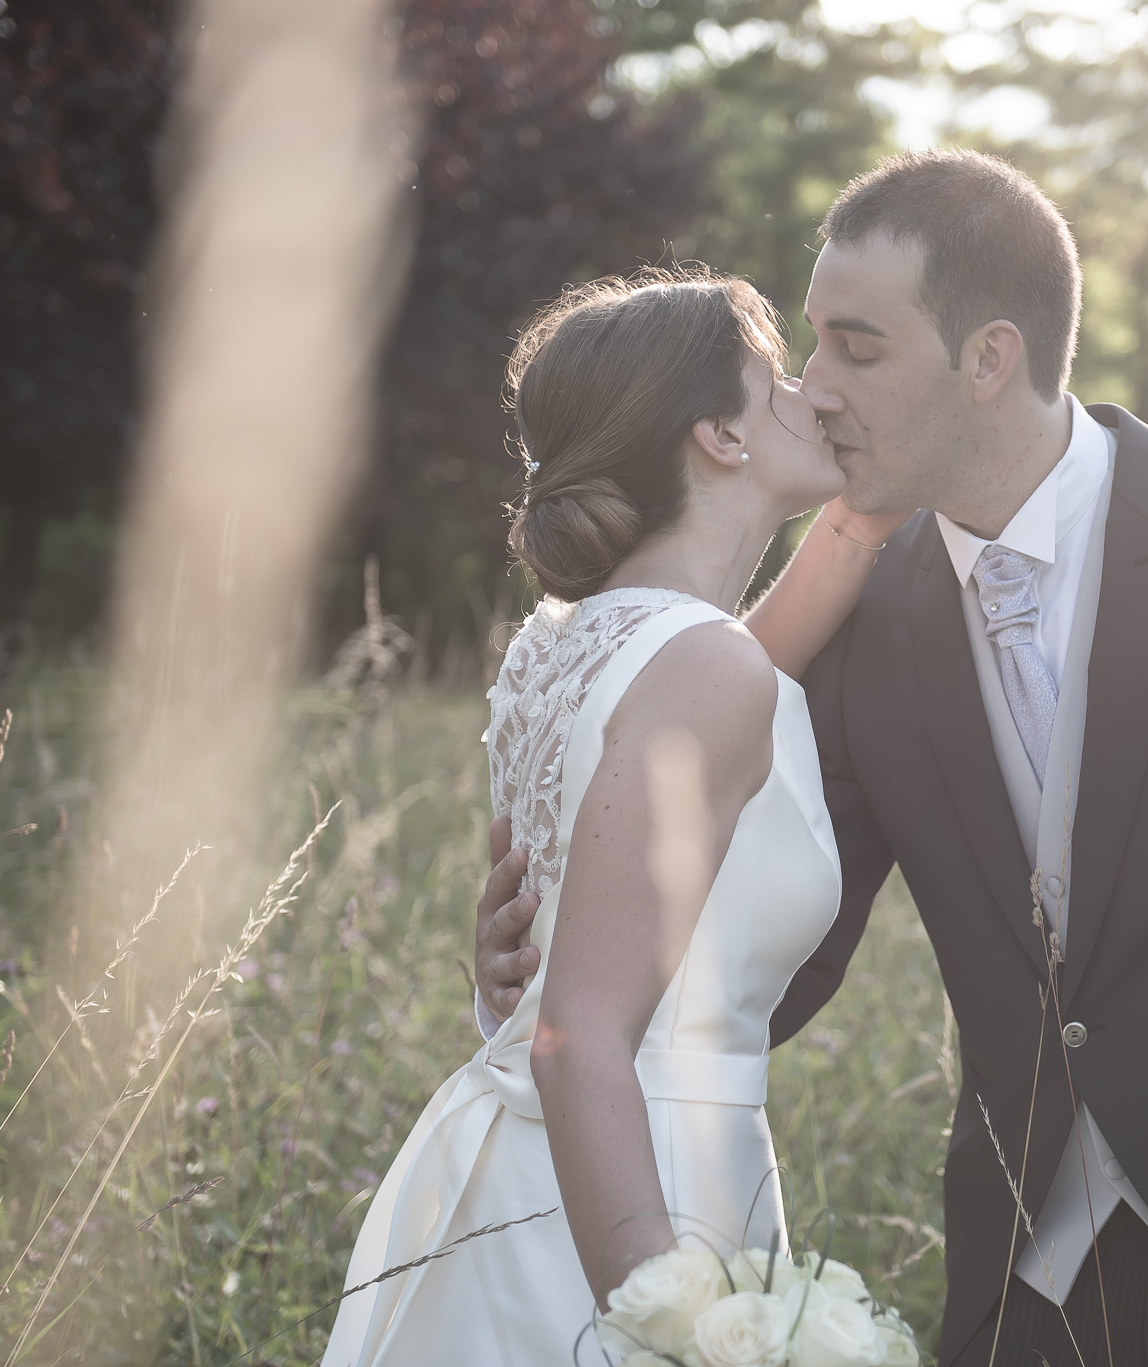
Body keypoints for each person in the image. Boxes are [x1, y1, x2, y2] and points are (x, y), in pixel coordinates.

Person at [476, 152, 1148, 1366]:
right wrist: (553, 962)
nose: (813, 388)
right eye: (810, 346)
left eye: (857, 347)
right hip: (1029, 1289)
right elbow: (776, 961)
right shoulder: (865, 613)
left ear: (988, 358)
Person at [322, 268, 897, 1365]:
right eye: (775, 376)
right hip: (634, 1197)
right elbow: (579, 1033)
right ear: (718, 437)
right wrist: (676, 1328)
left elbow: (723, 678)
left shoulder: (572, 638)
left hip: (523, 1173)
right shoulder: (699, 665)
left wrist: (867, 510)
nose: (814, 396)